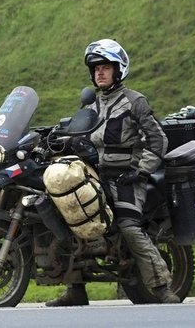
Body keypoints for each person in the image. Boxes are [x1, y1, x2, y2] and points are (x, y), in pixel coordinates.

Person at [46, 38, 181, 306]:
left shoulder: (134, 102)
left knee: (129, 227)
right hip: (96, 175)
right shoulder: (91, 107)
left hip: (127, 177)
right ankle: (76, 290)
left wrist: (141, 172)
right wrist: (57, 140)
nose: (100, 72)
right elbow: (77, 135)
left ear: (119, 69)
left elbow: (159, 141)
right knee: (69, 215)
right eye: (96, 68)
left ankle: (163, 287)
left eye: (106, 67)